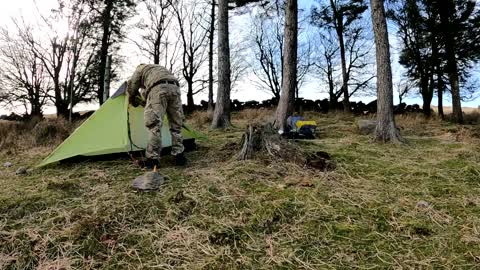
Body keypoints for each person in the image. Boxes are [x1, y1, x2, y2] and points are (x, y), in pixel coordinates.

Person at [126, 64, 187, 168]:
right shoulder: (157, 69)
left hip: (159, 89)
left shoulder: (140, 69)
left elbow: (132, 85)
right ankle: (179, 155)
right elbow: (146, 92)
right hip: (175, 88)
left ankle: (152, 159)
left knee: (154, 125)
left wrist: (131, 98)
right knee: (176, 125)